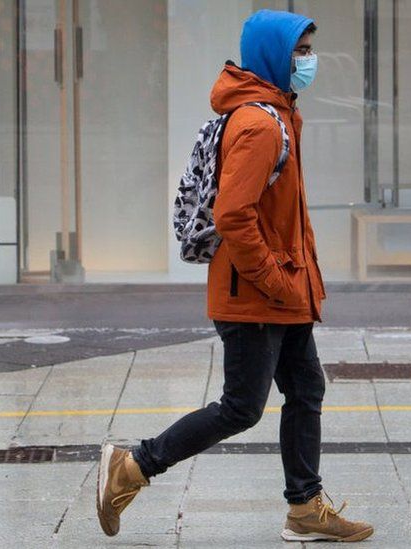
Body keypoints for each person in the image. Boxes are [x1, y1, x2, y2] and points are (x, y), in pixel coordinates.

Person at [97, 9, 374, 543]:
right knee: (242, 408)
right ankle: (132, 467)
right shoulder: (258, 124)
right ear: (274, 56)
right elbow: (233, 216)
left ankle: (305, 507)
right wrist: (276, 279)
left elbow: (284, 216)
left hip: (282, 288)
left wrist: (302, 281)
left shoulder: (279, 114)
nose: (308, 61)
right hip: (255, 291)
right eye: (300, 52)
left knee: (306, 388)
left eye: (309, 50)